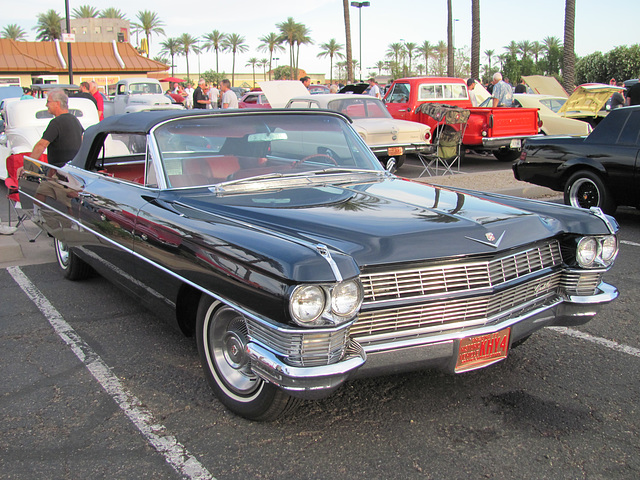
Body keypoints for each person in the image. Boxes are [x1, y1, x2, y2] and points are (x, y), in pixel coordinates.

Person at [28, 88, 84, 167]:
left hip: (60, 169)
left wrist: (28, 165)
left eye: (48, 102)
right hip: (74, 167)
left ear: (57, 103)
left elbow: (42, 145)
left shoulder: (56, 122)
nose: (46, 105)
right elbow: (82, 140)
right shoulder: (75, 120)